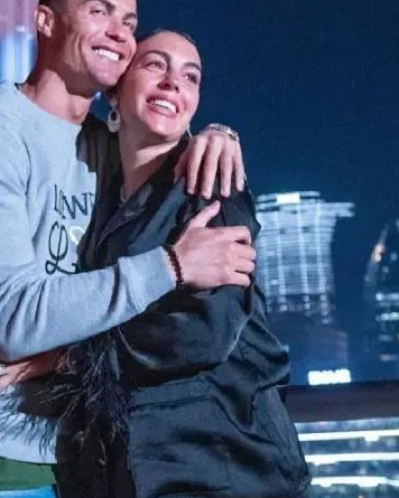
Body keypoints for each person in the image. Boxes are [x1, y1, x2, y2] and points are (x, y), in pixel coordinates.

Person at [0, 0, 256, 498]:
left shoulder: (108, 150)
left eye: (129, 22)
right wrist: (173, 265)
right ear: (45, 21)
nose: (119, 32)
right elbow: (15, 320)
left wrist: (219, 134)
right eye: (99, 12)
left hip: (82, 451)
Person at [50, 30, 310, 498]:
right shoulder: (98, 197)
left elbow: (199, 334)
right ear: (115, 92)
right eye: (155, 65)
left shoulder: (210, 187)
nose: (174, 83)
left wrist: (60, 355)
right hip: (130, 473)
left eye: (191, 77)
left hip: (227, 466)